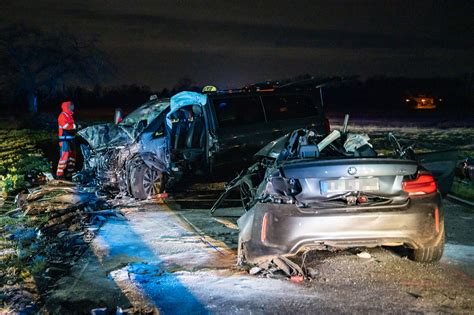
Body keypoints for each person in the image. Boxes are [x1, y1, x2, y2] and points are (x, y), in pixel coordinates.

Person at [56, 101, 77, 179]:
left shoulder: (69, 115)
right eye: (71, 106)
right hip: (65, 140)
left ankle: (70, 173)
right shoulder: (62, 115)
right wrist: (75, 126)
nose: (73, 107)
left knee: (72, 156)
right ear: (68, 107)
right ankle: (59, 174)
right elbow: (66, 126)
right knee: (64, 157)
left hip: (71, 139)